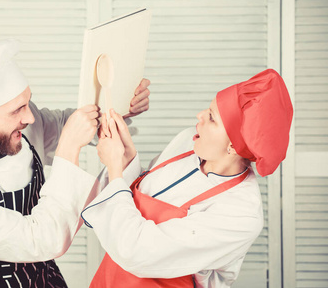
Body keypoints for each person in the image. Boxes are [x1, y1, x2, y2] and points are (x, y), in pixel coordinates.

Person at [0, 39, 150, 288]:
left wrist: (116, 108)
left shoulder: (16, 127)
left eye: (28, 102)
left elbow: (64, 124)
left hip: (42, 278)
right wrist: (69, 147)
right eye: (17, 110)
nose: (29, 117)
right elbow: (44, 240)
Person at [81, 69, 293, 288]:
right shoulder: (188, 141)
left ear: (233, 146)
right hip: (108, 279)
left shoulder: (241, 213)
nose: (199, 116)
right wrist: (126, 157)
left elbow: (138, 251)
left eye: (211, 118)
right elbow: (141, 193)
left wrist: (115, 167)